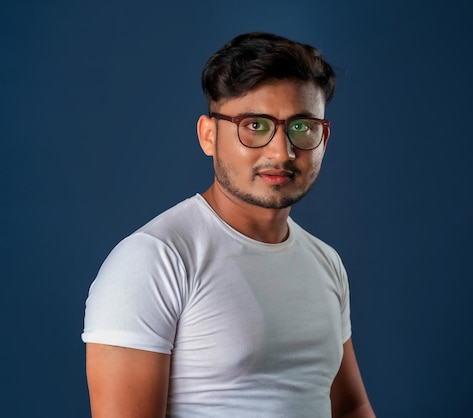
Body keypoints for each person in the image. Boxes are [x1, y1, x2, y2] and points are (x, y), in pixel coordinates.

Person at [82, 31, 375, 418]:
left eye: (302, 127)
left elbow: (351, 407)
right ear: (208, 135)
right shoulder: (154, 260)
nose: (282, 151)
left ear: (324, 137)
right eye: (255, 126)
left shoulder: (325, 262)